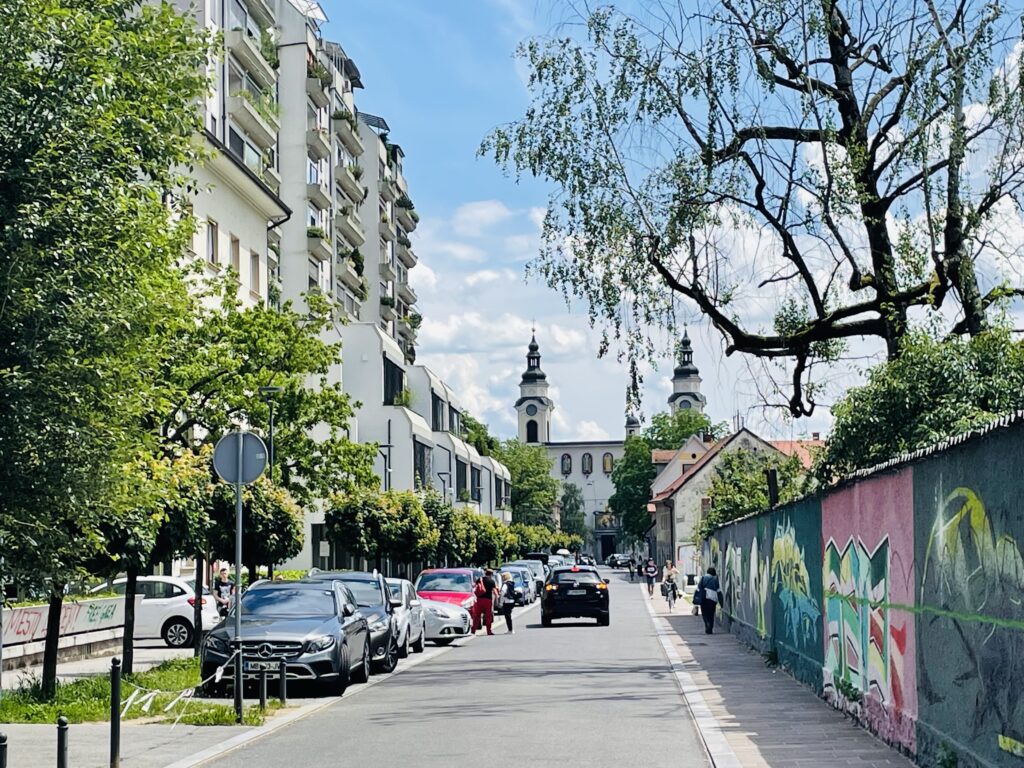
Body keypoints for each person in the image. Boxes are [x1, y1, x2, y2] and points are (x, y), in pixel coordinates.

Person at [696, 566, 721, 634]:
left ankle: (707, 624)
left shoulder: (703, 578)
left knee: (704, 613)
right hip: (712, 599)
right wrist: (721, 602)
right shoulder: (715, 579)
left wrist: (696, 599)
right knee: (711, 614)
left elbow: (699, 588)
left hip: (704, 598)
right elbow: (718, 591)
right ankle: (710, 628)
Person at [473, 568, 497, 635]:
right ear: (491, 574)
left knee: (477, 616)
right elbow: (494, 591)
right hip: (488, 600)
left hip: (479, 600)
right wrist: (497, 596)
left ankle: (473, 630)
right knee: (488, 616)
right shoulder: (491, 581)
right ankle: (489, 631)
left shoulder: (480, 579)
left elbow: (474, 586)